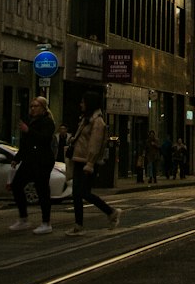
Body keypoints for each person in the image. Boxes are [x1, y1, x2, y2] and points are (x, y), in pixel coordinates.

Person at [65, 91, 120, 236]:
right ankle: (79, 224)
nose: (80, 104)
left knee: (82, 193)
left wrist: (90, 163)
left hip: (86, 162)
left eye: (83, 102)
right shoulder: (87, 119)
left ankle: (110, 212)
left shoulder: (97, 122)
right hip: (79, 160)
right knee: (78, 193)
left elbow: (95, 144)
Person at [8, 96, 57, 235]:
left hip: (42, 160)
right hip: (30, 160)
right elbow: (26, 144)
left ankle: (46, 222)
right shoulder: (31, 122)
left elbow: (44, 138)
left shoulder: (47, 122)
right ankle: (23, 218)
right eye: (31, 106)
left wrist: (28, 130)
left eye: (36, 106)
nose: (33, 109)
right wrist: (17, 159)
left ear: (43, 108)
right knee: (17, 185)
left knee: (42, 190)